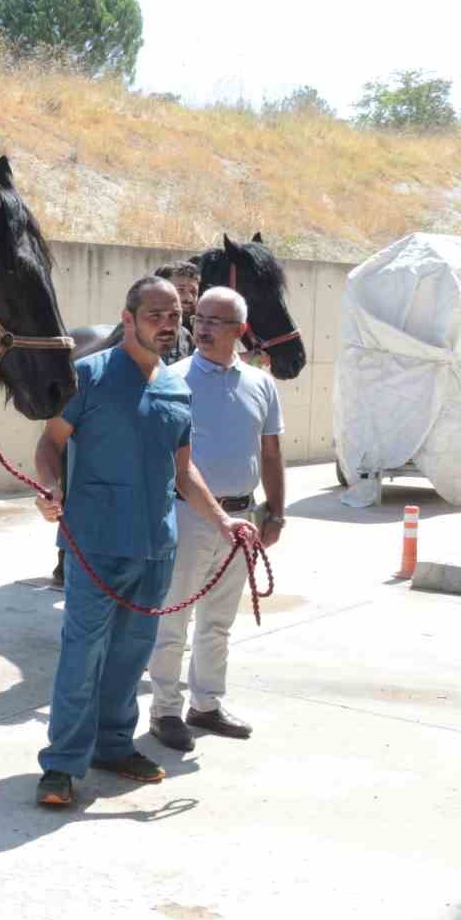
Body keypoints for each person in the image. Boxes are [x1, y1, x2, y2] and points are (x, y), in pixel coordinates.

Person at [32, 276, 255, 807]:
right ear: (127, 318)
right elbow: (49, 443)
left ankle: (112, 747)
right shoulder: (87, 377)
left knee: (132, 656)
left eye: (175, 315)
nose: (167, 324)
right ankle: (62, 765)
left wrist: (224, 521)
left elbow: (184, 471)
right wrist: (49, 486)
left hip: (156, 546)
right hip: (95, 543)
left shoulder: (178, 387)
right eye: (155, 313)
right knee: (82, 656)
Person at [145, 288, 285, 751]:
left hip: (244, 518)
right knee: (174, 617)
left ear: (240, 330)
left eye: (216, 321)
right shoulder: (173, 378)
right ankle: (165, 710)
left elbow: (271, 450)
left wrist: (276, 513)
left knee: (218, 620)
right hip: (188, 516)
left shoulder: (261, 384)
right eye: (199, 318)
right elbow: (167, 456)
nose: (202, 328)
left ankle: (206, 704)